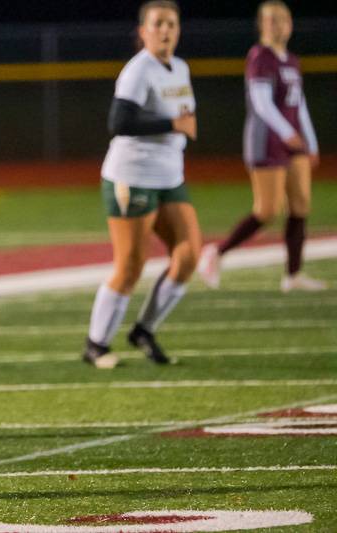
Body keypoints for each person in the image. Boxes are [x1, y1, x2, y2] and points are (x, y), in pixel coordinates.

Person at [82, 0, 201, 369]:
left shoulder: (179, 67)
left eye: (171, 24)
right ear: (143, 31)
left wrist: (182, 126)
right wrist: (172, 127)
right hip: (132, 177)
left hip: (169, 176)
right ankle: (96, 344)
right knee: (131, 266)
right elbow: (118, 122)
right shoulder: (137, 71)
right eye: (158, 24)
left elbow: (179, 114)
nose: (165, 30)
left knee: (188, 255)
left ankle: (144, 330)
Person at [197, 1, 325, 293]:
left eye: (284, 19)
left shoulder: (292, 60)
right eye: (273, 20)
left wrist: (310, 141)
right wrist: (286, 131)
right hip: (267, 139)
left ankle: (293, 276)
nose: (280, 25)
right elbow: (261, 102)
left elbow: (299, 104)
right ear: (262, 25)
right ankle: (216, 253)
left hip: (292, 140)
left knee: (301, 204)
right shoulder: (260, 57)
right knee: (267, 210)